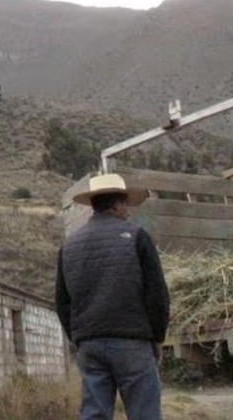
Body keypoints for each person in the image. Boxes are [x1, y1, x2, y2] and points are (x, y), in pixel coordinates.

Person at [55, 173, 170, 420]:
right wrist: (158, 337)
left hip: (90, 343)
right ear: (117, 204)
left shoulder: (69, 245)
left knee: (94, 414)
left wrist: (77, 338)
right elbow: (157, 294)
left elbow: (63, 302)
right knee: (144, 413)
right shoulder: (138, 235)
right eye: (126, 204)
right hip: (132, 341)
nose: (128, 210)